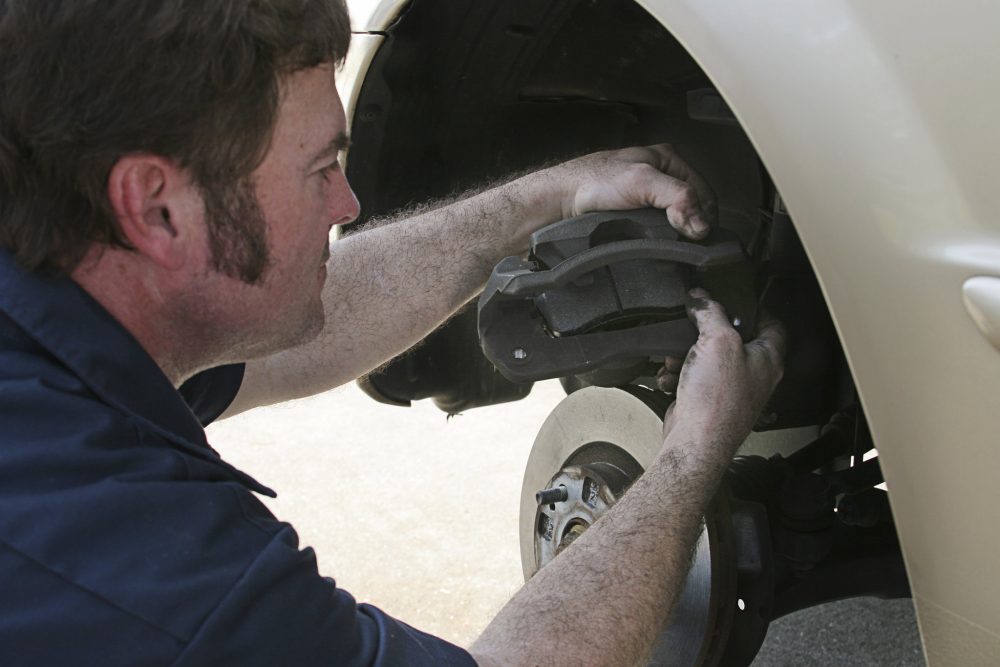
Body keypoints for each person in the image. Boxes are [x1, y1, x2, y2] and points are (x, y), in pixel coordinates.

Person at [0, 1, 785, 665]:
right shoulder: (146, 573)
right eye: (318, 169)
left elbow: (314, 321)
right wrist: (688, 458)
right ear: (157, 205)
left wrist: (551, 192)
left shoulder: (63, 296)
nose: (347, 202)